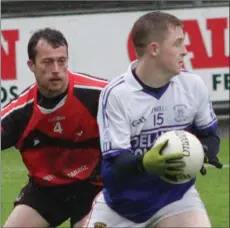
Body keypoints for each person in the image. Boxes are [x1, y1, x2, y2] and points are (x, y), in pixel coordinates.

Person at [86, 11, 223, 228]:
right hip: (121, 206)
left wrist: (204, 151)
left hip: (176, 199)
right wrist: (146, 163)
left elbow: (210, 134)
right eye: (177, 43)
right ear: (154, 49)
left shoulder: (193, 85)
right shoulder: (117, 94)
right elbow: (115, 163)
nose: (185, 51)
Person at [1, 27, 108, 228]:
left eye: (62, 61)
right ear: (31, 65)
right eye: (48, 62)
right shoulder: (19, 113)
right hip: (46, 190)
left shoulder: (100, 95)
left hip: (94, 187)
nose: (56, 69)